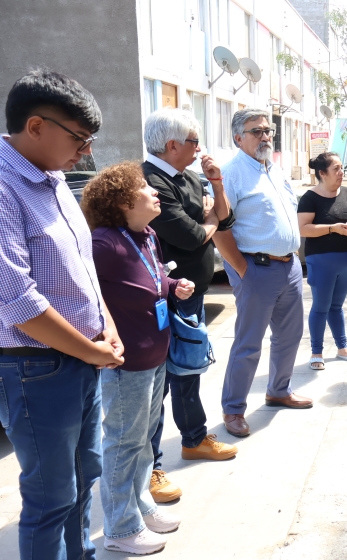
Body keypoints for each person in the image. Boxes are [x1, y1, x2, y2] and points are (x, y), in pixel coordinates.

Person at [0, 70, 124, 559]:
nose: (86, 152)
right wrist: (92, 348)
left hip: (80, 357)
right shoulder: (5, 187)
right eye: (79, 139)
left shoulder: (52, 179)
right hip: (36, 365)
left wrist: (107, 328)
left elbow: (83, 271)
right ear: (35, 127)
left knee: (83, 481)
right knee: (52, 499)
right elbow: (18, 301)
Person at [82, 162, 193, 554]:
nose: (155, 192)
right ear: (123, 201)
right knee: (122, 444)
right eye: (145, 188)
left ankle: (141, 507)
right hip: (125, 365)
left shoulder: (146, 235)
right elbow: (82, 295)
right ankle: (120, 528)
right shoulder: (103, 243)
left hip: (154, 356)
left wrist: (174, 285)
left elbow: (154, 276)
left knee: (143, 441)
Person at [143, 108, 238, 504]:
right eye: (194, 141)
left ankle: (194, 438)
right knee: (155, 387)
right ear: (172, 145)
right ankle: (150, 468)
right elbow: (193, 234)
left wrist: (215, 187)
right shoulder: (150, 183)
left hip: (191, 293)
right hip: (162, 298)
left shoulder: (187, 176)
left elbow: (225, 220)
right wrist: (207, 224)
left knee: (189, 369)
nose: (200, 149)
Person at [213, 108, 311, 439]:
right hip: (257, 270)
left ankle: (278, 391)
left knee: (290, 335)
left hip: (289, 267)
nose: (265, 136)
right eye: (257, 131)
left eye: (268, 131)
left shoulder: (276, 170)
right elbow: (220, 229)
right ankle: (233, 409)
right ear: (238, 137)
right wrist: (242, 269)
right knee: (248, 344)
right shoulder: (231, 174)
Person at [298, 152, 347, 370]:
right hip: (321, 260)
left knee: (337, 305)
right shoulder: (310, 198)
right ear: (322, 173)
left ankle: (342, 349)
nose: (342, 173)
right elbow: (303, 228)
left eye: (342, 168)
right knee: (321, 306)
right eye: (337, 169)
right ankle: (316, 352)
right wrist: (333, 228)